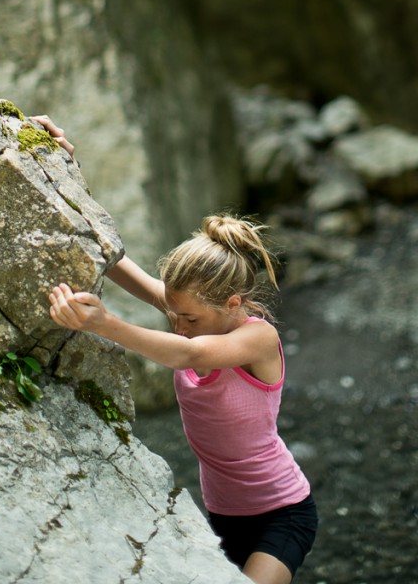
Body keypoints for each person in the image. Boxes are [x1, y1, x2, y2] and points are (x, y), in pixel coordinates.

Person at [37, 116, 317, 584]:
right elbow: (112, 256)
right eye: (173, 314)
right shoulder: (188, 314)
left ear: (233, 304)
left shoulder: (257, 338)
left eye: (190, 319)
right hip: (223, 514)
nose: (180, 326)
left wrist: (106, 324)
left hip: (283, 513)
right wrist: (65, 171)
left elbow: (187, 356)